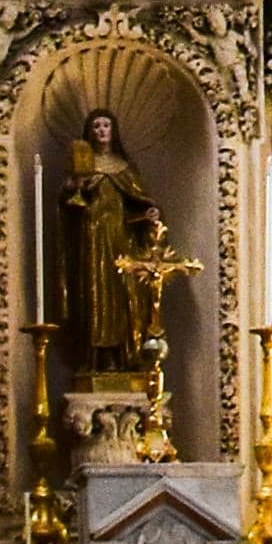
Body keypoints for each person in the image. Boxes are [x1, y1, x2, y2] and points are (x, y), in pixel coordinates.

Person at [64, 109, 161, 365]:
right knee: (94, 294)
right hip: (92, 237)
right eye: (96, 126)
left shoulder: (124, 168)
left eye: (106, 125)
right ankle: (95, 359)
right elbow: (68, 205)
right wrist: (74, 186)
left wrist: (149, 213)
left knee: (123, 295)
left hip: (121, 237)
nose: (101, 130)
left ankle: (124, 356)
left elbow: (138, 201)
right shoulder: (83, 166)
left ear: (113, 130)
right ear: (89, 132)